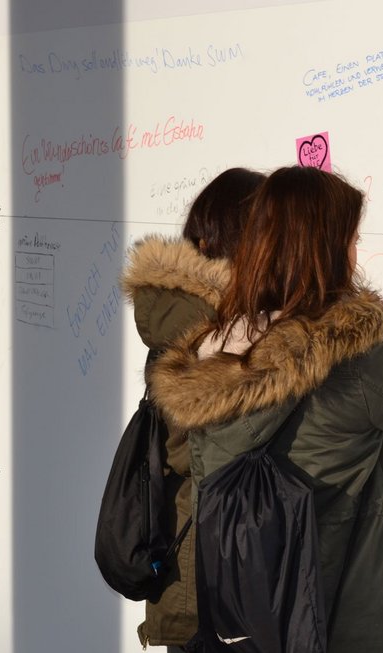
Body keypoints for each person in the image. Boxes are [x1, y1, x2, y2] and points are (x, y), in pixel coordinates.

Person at [147, 165, 383, 652]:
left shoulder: (212, 350)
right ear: (324, 250)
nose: (355, 254)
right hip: (344, 625)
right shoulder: (354, 361)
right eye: (351, 239)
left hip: (252, 624)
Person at [120, 167, 266, 651]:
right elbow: (200, 448)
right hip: (210, 562)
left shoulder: (195, 317)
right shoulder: (214, 330)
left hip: (200, 555)